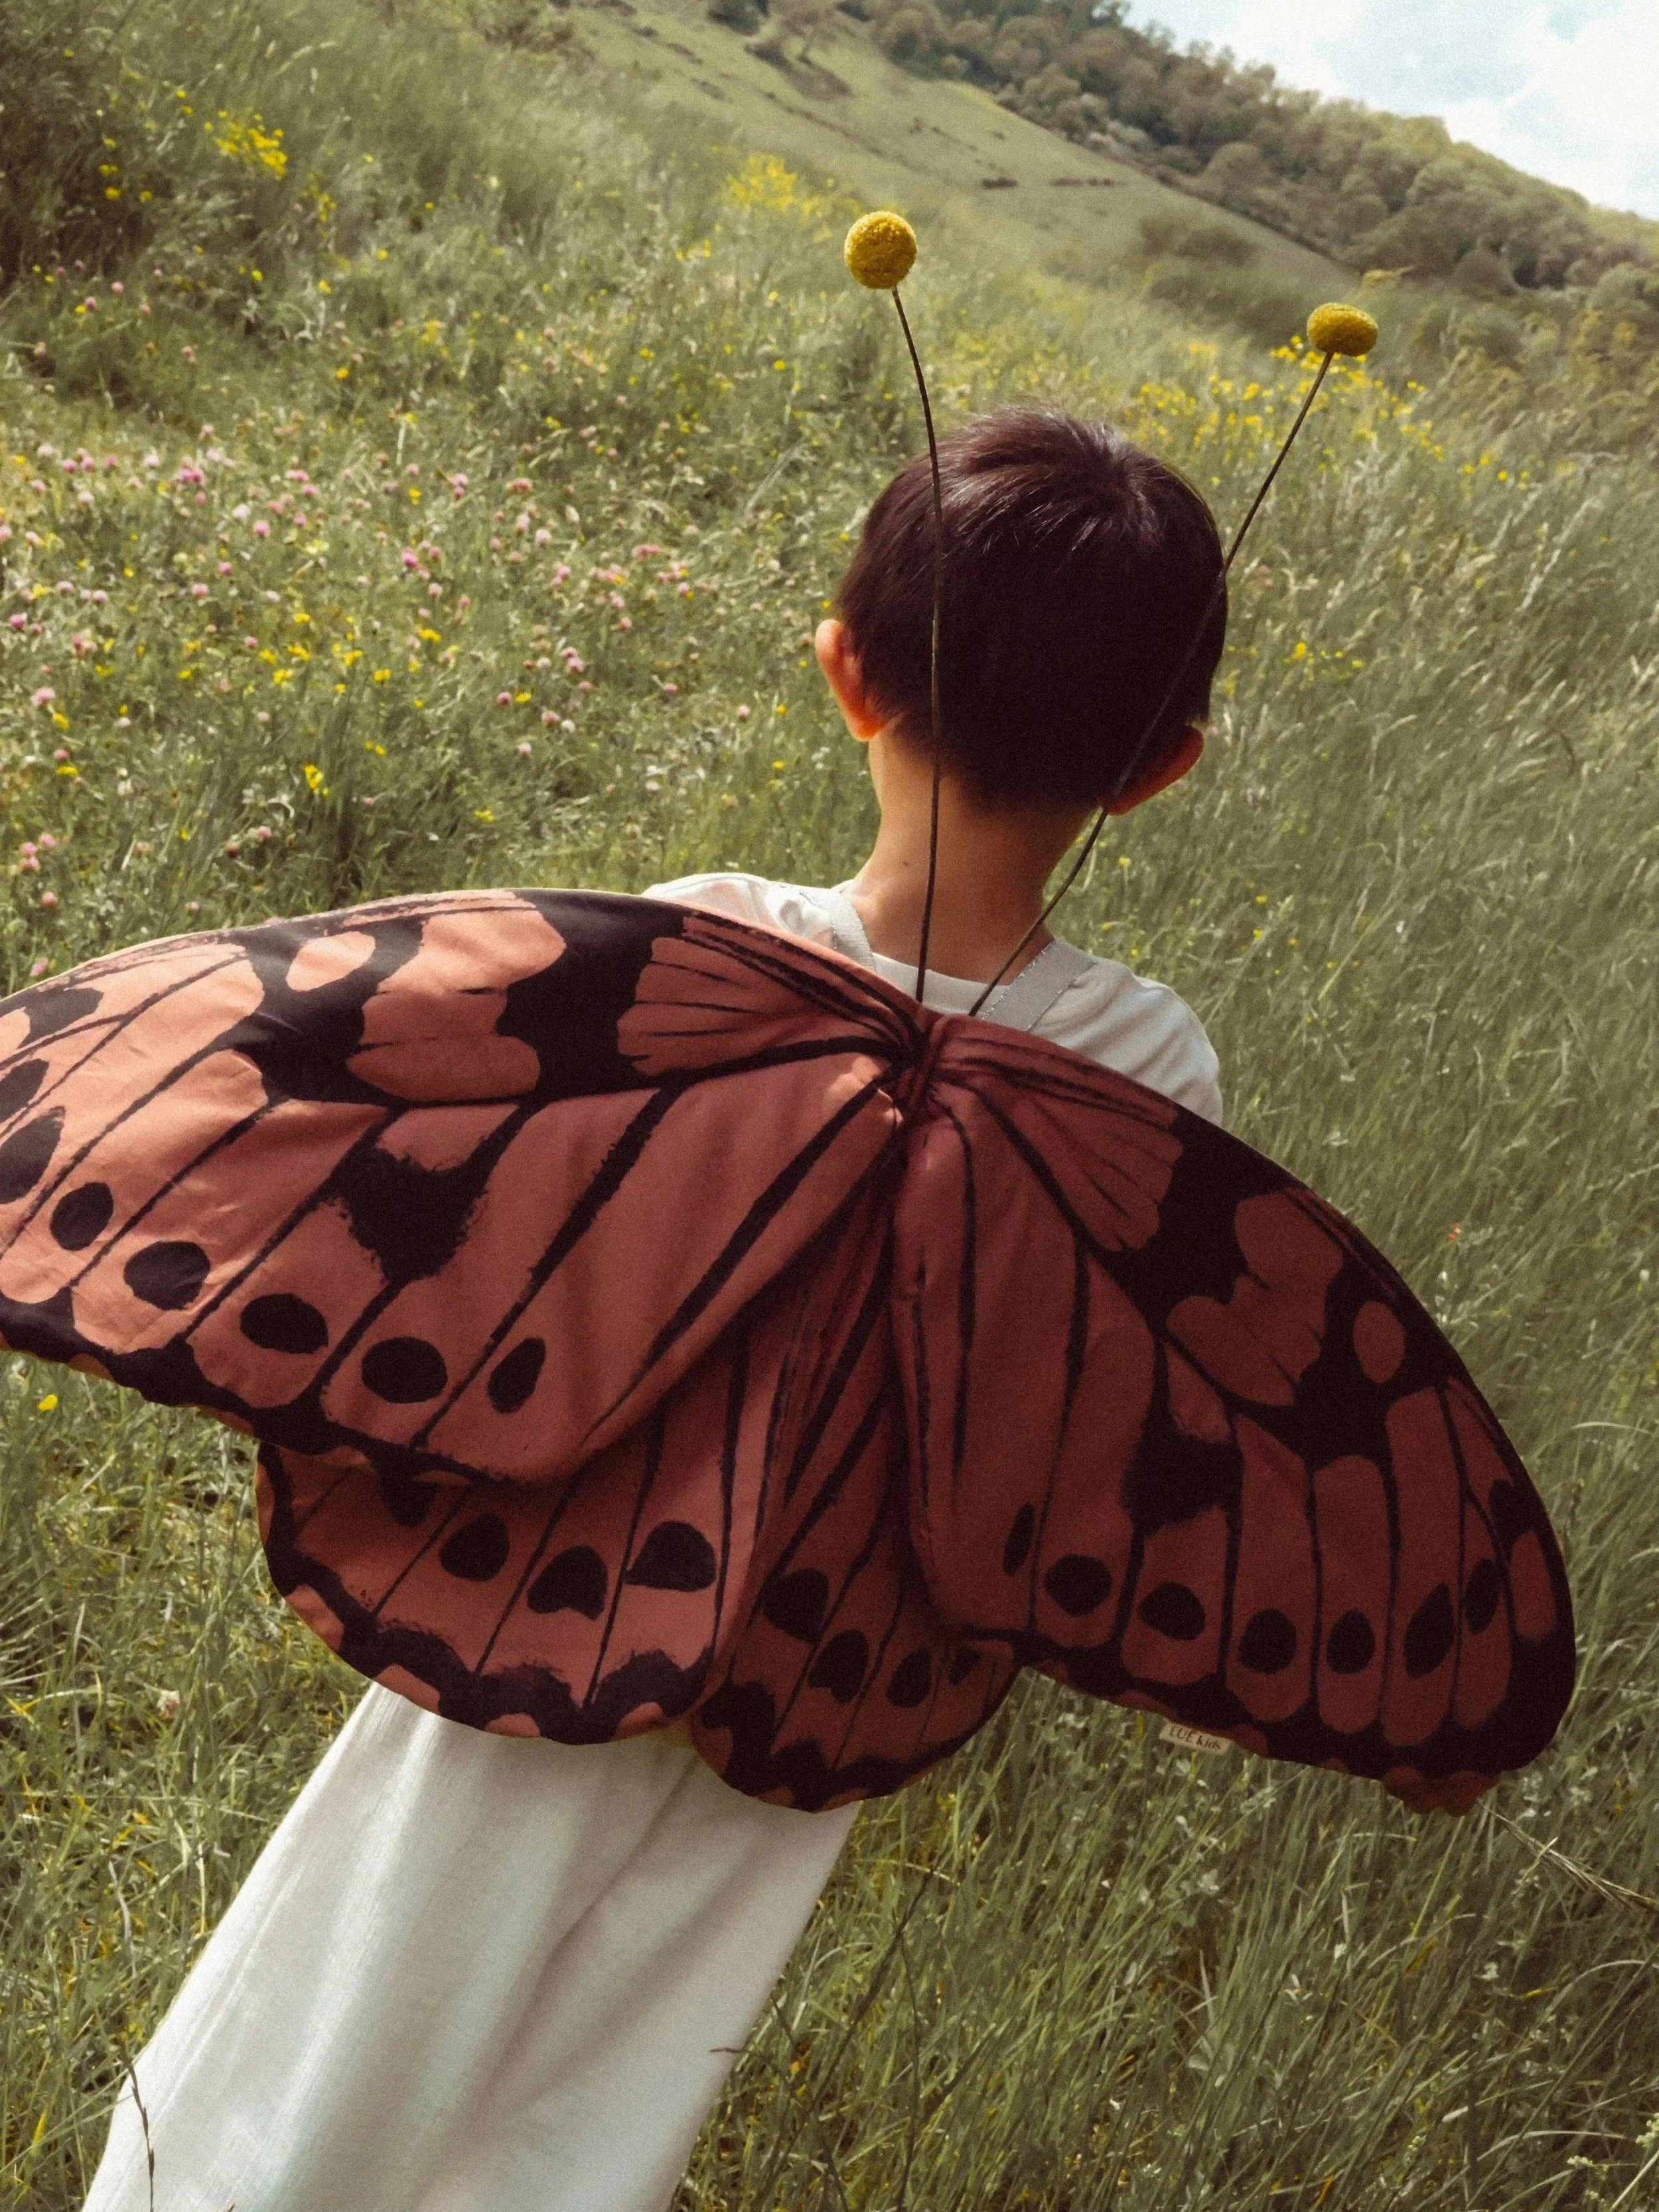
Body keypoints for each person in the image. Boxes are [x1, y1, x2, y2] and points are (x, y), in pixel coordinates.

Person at [82, 409, 1225, 2212]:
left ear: (845, 670)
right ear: (1158, 766)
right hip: (840, 1645)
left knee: (362, 1980)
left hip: (557, 1574)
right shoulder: (1152, 1067)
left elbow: (460, 1264)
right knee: (615, 2079)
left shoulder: (691, 945)